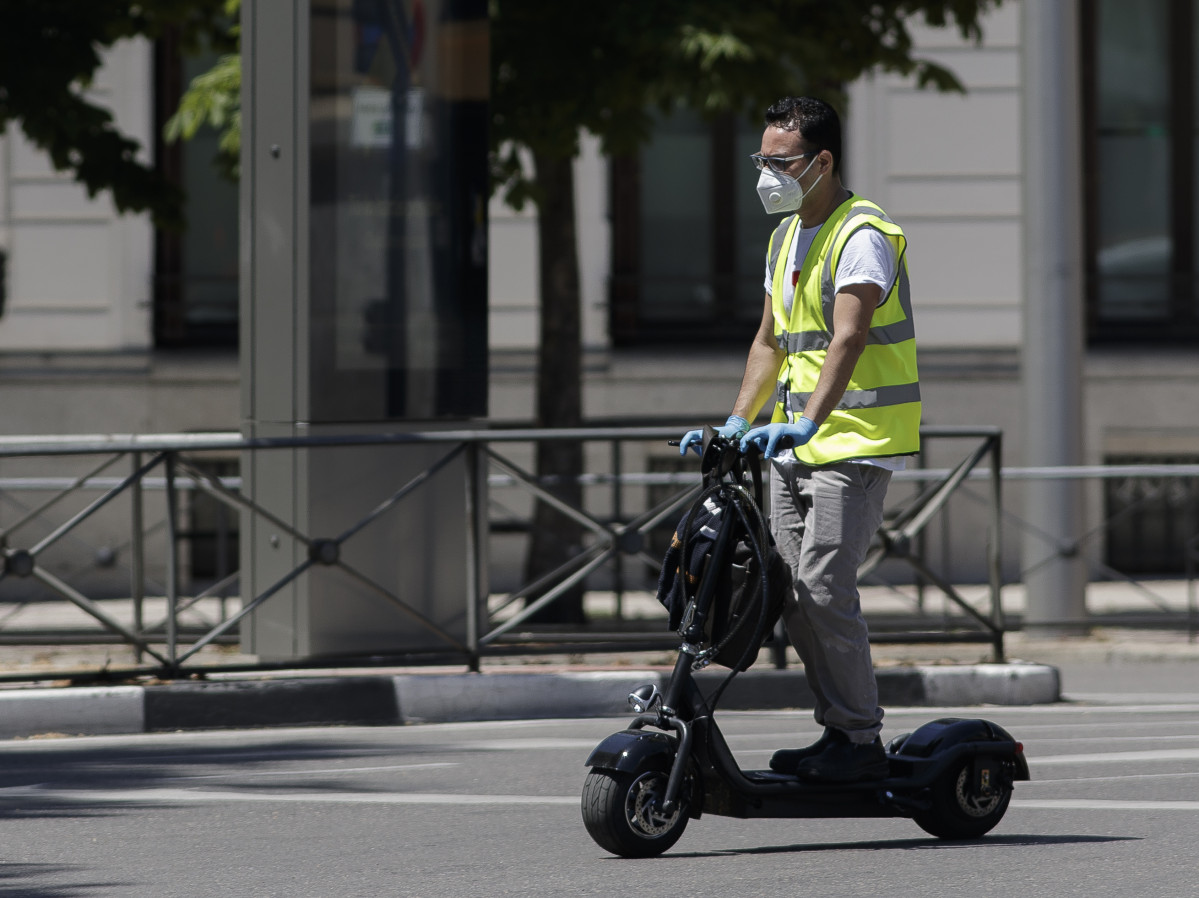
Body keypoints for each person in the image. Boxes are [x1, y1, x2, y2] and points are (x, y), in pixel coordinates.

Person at [679, 96, 921, 783]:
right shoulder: (785, 236)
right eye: (761, 160)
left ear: (821, 161)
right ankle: (838, 733)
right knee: (786, 587)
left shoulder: (861, 233)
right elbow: (769, 341)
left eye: (779, 162)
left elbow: (847, 336)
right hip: (790, 446)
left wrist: (809, 420)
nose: (766, 174)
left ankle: (859, 739)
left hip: (854, 439)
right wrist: (735, 423)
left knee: (822, 584)